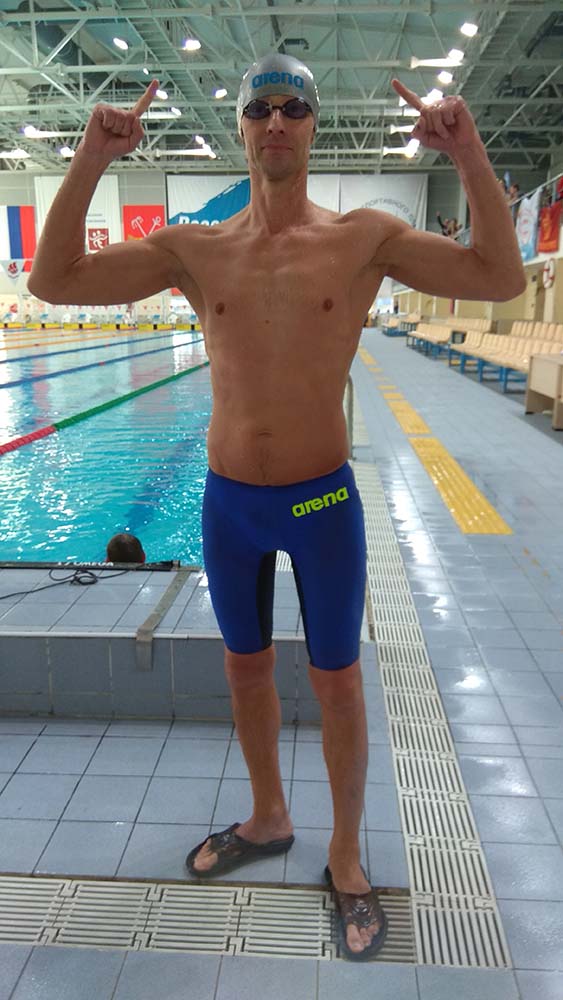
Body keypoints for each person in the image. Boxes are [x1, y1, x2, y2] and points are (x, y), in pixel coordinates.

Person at [28, 52, 525, 961]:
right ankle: (268, 817)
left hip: (322, 500)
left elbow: (499, 278)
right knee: (245, 671)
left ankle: (345, 854)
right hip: (228, 505)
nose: (276, 122)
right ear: (241, 128)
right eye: (260, 107)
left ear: (313, 125)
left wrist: (466, 153)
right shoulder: (194, 247)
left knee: (337, 683)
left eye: (293, 106)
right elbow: (53, 281)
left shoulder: (362, 237)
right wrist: (92, 159)